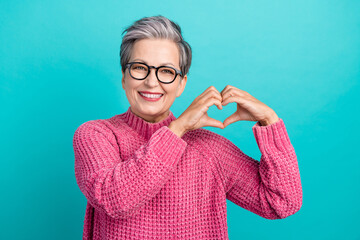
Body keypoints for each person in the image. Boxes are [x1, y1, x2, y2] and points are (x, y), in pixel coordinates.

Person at [73, 15, 303, 240]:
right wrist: (178, 128)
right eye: (140, 68)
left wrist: (270, 122)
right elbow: (114, 200)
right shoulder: (96, 135)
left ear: (181, 84)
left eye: (166, 71)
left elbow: (281, 202)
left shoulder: (209, 149)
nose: (152, 82)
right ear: (124, 77)